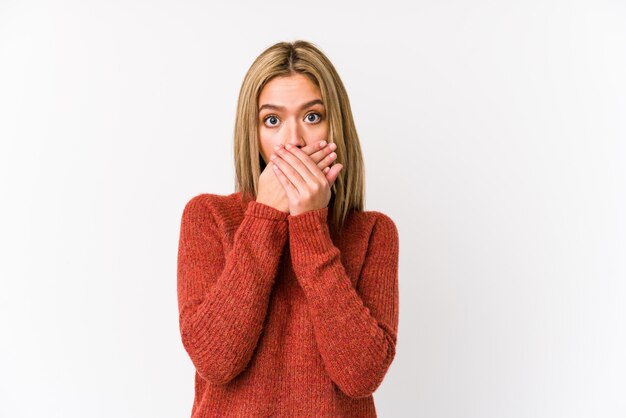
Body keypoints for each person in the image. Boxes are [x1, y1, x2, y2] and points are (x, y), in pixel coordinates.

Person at [176, 40, 400, 417]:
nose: (293, 140)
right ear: (253, 131)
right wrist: (265, 217)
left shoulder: (373, 232)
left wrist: (310, 227)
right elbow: (215, 361)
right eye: (272, 120)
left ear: (336, 125)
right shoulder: (207, 217)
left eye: (312, 116)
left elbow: (361, 377)